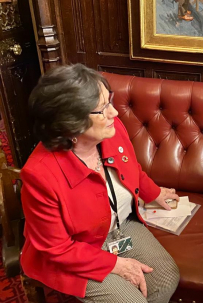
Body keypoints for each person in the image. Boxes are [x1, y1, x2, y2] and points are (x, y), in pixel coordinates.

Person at [21, 64, 180, 303]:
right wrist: (116, 264)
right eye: (102, 109)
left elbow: (131, 168)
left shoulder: (111, 130)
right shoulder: (40, 175)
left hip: (119, 227)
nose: (114, 113)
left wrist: (154, 193)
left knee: (167, 278)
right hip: (76, 249)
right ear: (69, 123)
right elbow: (57, 249)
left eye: (110, 101)